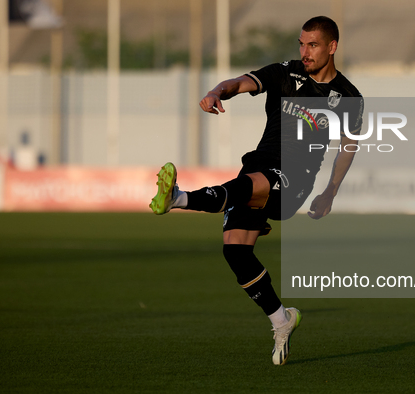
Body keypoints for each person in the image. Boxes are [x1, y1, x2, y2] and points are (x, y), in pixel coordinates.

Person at [149, 16, 363, 366]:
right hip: (260, 163)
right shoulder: (286, 73)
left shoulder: (349, 97)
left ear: (332, 47)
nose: (304, 52)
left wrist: (330, 192)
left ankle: (179, 198)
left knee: (246, 186)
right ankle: (282, 319)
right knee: (235, 252)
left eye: (312, 45)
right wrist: (217, 91)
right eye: (301, 44)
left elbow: (348, 146)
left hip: (295, 179)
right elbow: (241, 82)